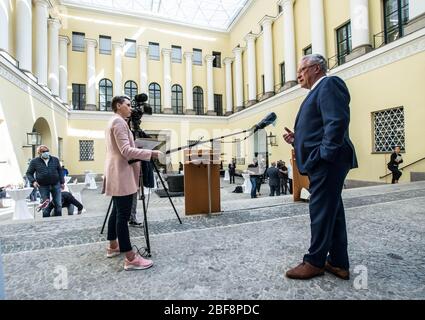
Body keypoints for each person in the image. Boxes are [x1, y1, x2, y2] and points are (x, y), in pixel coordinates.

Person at [283, 54, 358, 280]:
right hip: (326, 160)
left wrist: (323, 155)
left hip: (328, 162)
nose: (298, 75)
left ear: (316, 68)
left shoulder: (329, 84)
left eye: (302, 69)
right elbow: (319, 127)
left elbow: (336, 122)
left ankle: (314, 262)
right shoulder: (317, 91)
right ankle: (338, 263)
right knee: (332, 213)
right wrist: (298, 139)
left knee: (320, 211)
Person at [103, 95, 162, 271]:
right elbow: (126, 151)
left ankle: (113, 246)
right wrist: (150, 154)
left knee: (116, 211)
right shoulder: (119, 122)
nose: (131, 108)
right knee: (123, 216)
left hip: (116, 171)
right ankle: (130, 258)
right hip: (122, 173)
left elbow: (124, 147)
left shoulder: (113, 121)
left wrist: (140, 145)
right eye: (128, 105)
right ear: (118, 105)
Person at [26, 145, 64, 217]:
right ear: (39, 153)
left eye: (47, 151)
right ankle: (46, 221)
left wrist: (62, 182)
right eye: (44, 151)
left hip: (55, 184)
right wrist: (33, 181)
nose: (46, 153)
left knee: (58, 204)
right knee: (45, 205)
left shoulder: (55, 159)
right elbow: (29, 173)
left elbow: (60, 171)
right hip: (43, 186)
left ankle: (59, 220)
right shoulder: (34, 161)